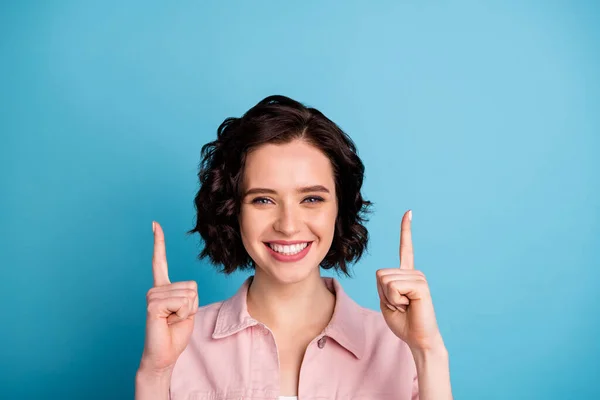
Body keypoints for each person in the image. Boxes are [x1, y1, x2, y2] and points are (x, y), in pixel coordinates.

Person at [135, 95, 453, 400]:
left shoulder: (400, 345)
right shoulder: (181, 343)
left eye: (311, 199)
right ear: (233, 211)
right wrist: (155, 372)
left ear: (339, 209)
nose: (288, 225)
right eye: (263, 199)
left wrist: (428, 352)